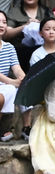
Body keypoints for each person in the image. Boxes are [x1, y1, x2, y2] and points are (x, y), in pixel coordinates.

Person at [5, 0, 53, 69]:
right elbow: (6, 34)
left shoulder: (47, 12)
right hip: (20, 53)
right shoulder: (14, 12)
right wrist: (25, 26)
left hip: (44, 52)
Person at [0, 10, 26, 141]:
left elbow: (17, 68)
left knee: (12, 89)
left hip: (4, 85)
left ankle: (26, 128)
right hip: (5, 83)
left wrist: (22, 78)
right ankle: (3, 129)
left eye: (4, 22)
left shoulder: (9, 47)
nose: (1, 25)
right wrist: (12, 81)